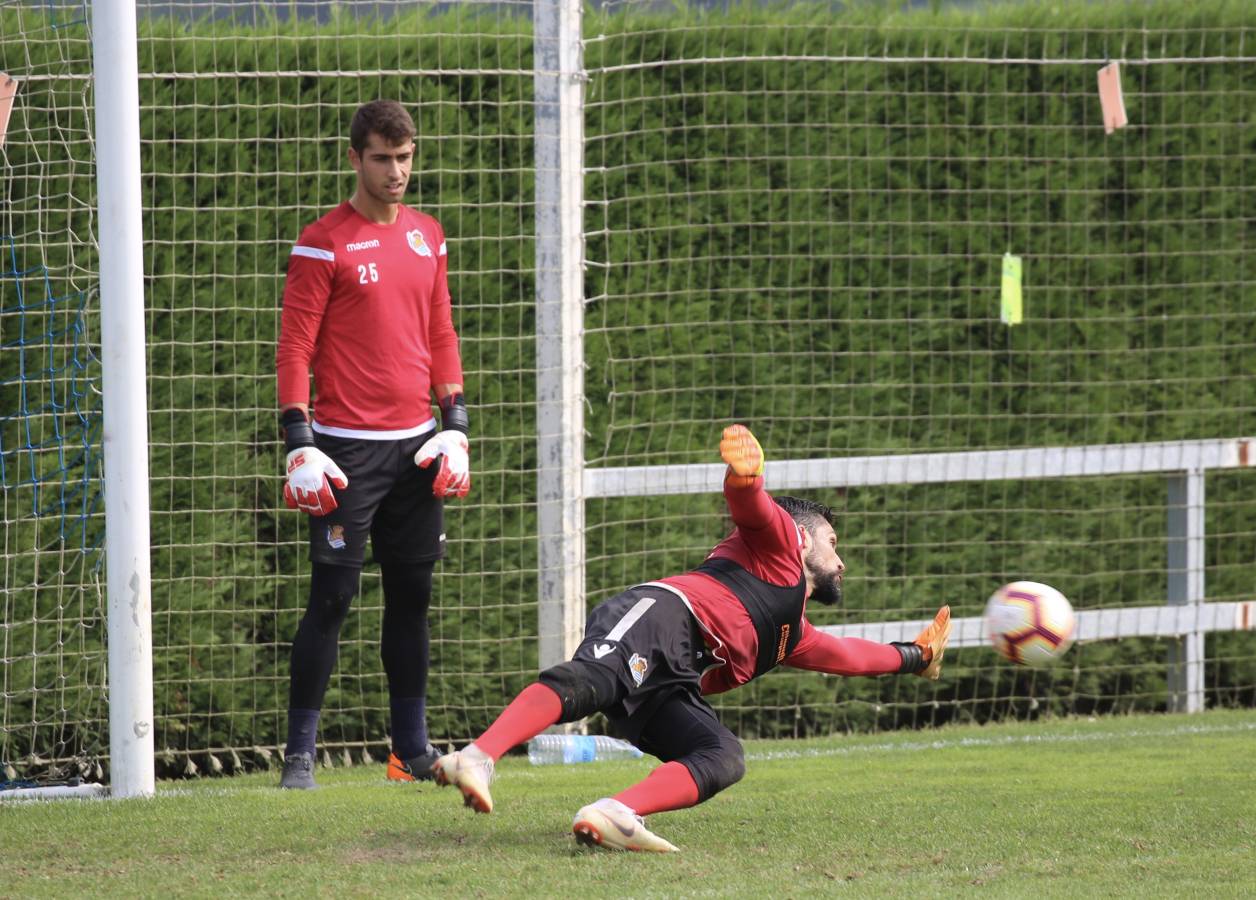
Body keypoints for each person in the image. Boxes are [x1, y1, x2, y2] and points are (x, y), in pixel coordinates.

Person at [432, 424, 951, 851]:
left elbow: (852, 656)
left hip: (673, 677)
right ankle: (477, 756)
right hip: (662, 618)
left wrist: (916, 656)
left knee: (721, 754)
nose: (840, 560)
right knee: (592, 682)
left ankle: (616, 810)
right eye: (833, 543)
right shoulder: (781, 544)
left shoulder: (792, 632)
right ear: (803, 535)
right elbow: (753, 506)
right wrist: (746, 477)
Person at [275, 99, 470, 789]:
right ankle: (300, 755)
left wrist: (457, 425)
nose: (397, 172)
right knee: (330, 600)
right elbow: (295, 345)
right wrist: (298, 437)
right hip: (343, 451)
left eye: (406, 158)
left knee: (412, 597)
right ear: (355, 157)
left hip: (416, 449)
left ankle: (409, 752)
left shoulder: (428, 236)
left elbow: (440, 333)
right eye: (383, 158)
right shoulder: (322, 240)